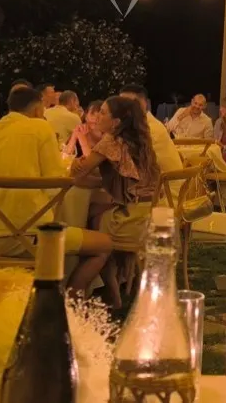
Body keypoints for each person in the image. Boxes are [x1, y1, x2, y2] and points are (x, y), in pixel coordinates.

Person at [0, 87, 112, 296]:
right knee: (104, 245)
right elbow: (56, 185)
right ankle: (69, 302)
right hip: (35, 236)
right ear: (37, 110)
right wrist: (73, 171)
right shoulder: (40, 127)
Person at [70, 94, 161, 306]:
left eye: (102, 113)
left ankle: (74, 295)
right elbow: (106, 179)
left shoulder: (110, 141)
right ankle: (111, 291)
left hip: (129, 220)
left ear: (116, 122)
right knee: (95, 212)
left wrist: (75, 166)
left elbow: (78, 176)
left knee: (91, 229)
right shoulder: (137, 141)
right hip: (147, 213)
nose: (97, 117)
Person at [119, 84, 183, 178]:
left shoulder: (148, 128)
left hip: (166, 185)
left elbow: (126, 163)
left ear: (142, 104)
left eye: (125, 104)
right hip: (159, 181)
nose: (120, 109)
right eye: (120, 104)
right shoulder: (143, 124)